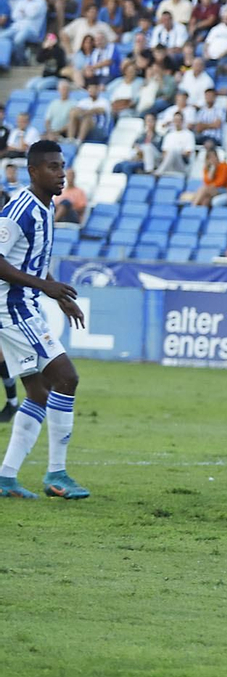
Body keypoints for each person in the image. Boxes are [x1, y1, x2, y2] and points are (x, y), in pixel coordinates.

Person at [0, 142, 90, 502]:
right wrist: (47, 287)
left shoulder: (47, 205)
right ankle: (57, 474)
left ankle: (6, 478)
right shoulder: (17, 211)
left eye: (62, 166)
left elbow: (32, 258)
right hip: (12, 306)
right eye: (53, 167)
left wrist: (58, 294)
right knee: (66, 377)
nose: (61, 173)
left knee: (38, 392)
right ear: (33, 171)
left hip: (26, 303)